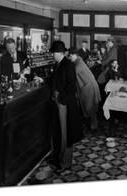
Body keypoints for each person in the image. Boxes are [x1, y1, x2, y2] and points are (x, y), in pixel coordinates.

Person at [50, 41, 84, 171]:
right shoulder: (58, 64)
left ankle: (65, 163)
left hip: (64, 103)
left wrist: (61, 99)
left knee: (65, 134)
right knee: (59, 132)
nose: (53, 55)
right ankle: (58, 158)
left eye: (54, 53)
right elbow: (54, 80)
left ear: (59, 53)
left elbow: (71, 85)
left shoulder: (68, 65)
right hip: (59, 101)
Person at [67, 48, 101, 132]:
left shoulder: (78, 64)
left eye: (70, 56)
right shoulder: (79, 61)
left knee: (90, 108)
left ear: (74, 55)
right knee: (90, 108)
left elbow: (71, 75)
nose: (69, 58)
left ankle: (93, 128)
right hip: (89, 86)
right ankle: (92, 126)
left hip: (89, 87)